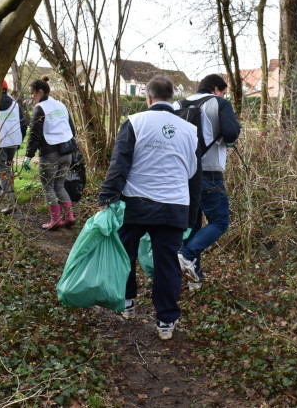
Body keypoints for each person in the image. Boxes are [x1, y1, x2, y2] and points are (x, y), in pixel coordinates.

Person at [98, 75, 200, 340]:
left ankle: (128, 303)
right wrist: (192, 217)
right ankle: (166, 321)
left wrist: (106, 199)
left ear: (148, 97)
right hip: (174, 207)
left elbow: (119, 165)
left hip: (135, 205)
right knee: (166, 263)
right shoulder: (189, 130)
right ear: (172, 98)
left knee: (125, 255)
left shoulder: (135, 122)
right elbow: (193, 174)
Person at [175, 74, 241, 290]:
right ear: (216, 89)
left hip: (182, 174)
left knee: (193, 226)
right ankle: (186, 255)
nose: (224, 95)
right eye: (223, 91)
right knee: (220, 222)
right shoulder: (219, 103)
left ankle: (195, 280)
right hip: (209, 173)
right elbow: (231, 133)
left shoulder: (179, 103)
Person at [24, 76, 78, 230]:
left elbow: (35, 134)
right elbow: (71, 129)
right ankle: (69, 216)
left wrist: (28, 156)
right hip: (67, 153)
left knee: (48, 187)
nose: (32, 97)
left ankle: (55, 220)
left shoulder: (40, 108)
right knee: (60, 185)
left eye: (32, 93)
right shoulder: (61, 105)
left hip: (50, 154)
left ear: (40, 91)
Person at [0, 80, 29, 214]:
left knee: (2, 171)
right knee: (8, 168)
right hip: (13, 141)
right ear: (6, 89)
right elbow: (24, 124)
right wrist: (19, 140)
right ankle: (11, 195)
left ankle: (11, 202)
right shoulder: (15, 104)